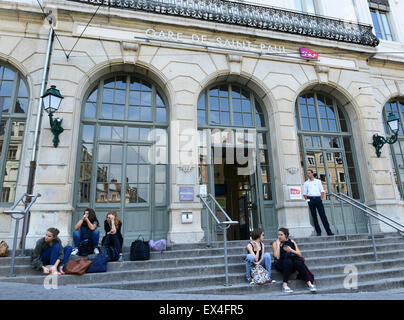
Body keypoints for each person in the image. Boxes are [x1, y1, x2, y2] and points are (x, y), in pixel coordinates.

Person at [272, 228, 317, 293]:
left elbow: (299, 254)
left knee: (297, 262)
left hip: (292, 264)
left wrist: (291, 250)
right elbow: (277, 257)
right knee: (288, 261)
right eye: (278, 235)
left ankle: (309, 284)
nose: (279, 236)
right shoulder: (275, 243)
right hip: (281, 264)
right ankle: (284, 285)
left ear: (286, 235)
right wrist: (279, 245)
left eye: (281, 235)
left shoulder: (292, 242)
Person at [302, 169, 334, 236]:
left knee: (323, 215)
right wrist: (308, 201)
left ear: (312, 173)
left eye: (309, 173)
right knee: (314, 217)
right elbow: (304, 194)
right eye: (307, 173)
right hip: (310, 199)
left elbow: (322, 191)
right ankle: (318, 232)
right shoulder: (306, 183)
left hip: (318, 199)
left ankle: (329, 231)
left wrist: (321, 199)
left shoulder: (318, 181)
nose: (308, 175)